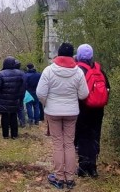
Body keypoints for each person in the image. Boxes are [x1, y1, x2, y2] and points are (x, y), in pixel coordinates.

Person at [37, 43, 89, 190]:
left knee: (58, 144)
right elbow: (84, 94)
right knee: (69, 143)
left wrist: (47, 104)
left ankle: (59, 178)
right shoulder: (78, 72)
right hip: (72, 112)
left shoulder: (49, 70)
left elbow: (40, 93)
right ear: (72, 55)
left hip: (53, 112)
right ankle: (70, 178)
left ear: (58, 54)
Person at [75, 44, 109, 178]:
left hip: (83, 109)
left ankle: (83, 167)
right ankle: (93, 167)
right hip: (98, 110)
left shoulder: (78, 70)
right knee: (95, 136)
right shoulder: (99, 70)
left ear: (78, 55)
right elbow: (107, 89)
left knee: (83, 137)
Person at [0, 56, 26, 139]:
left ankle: (5, 135)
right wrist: (20, 97)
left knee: (4, 116)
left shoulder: (1, 74)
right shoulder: (21, 73)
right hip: (15, 98)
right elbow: (23, 87)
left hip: (3, 99)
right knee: (13, 116)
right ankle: (14, 134)